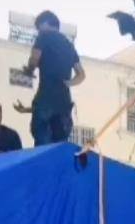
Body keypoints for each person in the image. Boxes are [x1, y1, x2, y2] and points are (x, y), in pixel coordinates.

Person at [13, 10, 84, 146]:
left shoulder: (44, 37)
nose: (38, 31)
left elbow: (34, 59)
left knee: (42, 147)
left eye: (38, 27)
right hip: (64, 107)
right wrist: (68, 83)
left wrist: (29, 70)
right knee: (58, 148)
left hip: (45, 102)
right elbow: (81, 75)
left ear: (45, 23)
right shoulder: (69, 45)